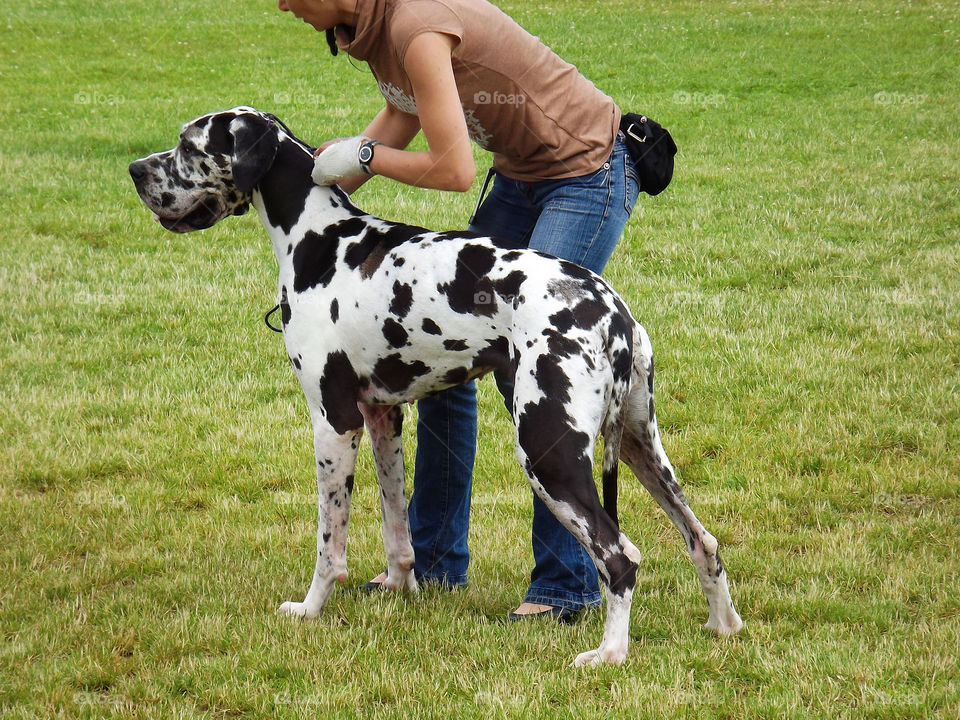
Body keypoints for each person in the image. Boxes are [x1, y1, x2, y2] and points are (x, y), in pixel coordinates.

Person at [277, 0, 639, 621]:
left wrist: (361, 158)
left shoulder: (415, 25)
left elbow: (453, 168)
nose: (282, 5)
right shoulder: (373, 29)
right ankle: (435, 562)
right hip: (521, 177)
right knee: (437, 348)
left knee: (534, 368)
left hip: (585, 174)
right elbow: (402, 112)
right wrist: (317, 195)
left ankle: (566, 585)